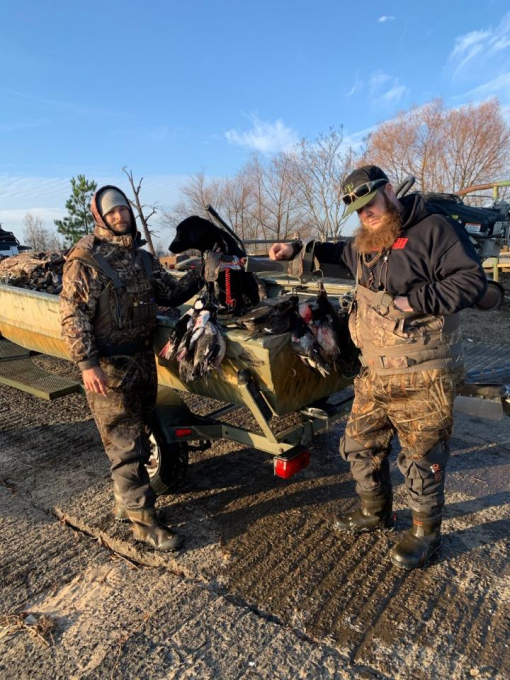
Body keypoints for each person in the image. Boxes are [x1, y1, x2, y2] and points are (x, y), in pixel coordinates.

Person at [270, 165, 487, 570]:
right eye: (358, 210)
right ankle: (376, 511)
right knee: (358, 444)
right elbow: (336, 252)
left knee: (422, 456)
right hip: (374, 371)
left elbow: (471, 281)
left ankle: (425, 533)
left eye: (370, 204)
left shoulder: (434, 229)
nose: (366, 214)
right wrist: (295, 249)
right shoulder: (368, 243)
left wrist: (414, 300)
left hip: (423, 370)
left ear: (389, 191)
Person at [60, 186, 203, 551]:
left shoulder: (142, 258)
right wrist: (88, 364)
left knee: (137, 434)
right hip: (109, 367)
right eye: (112, 212)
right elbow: (73, 315)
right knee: (125, 445)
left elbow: (170, 293)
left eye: (123, 209)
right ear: (100, 217)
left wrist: (203, 271)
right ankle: (144, 523)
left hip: (141, 360)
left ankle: (125, 503)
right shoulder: (86, 259)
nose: (119, 215)